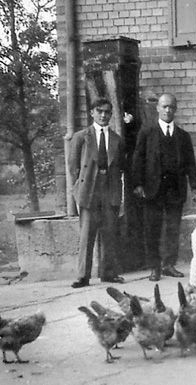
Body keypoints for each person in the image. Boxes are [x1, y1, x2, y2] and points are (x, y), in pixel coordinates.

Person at [132, 93, 196, 282]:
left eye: (171, 107)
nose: (168, 110)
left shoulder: (183, 136)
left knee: (173, 228)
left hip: (175, 189)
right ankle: (155, 267)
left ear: (175, 109)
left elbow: (191, 164)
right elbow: (138, 159)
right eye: (164, 107)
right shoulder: (147, 132)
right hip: (152, 189)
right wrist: (137, 184)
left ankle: (169, 264)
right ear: (158, 109)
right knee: (152, 229)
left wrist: (194, 186)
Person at [68, 98, 126, 288]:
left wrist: (119, 193)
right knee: (87, 234)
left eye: (107, 112)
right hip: (89, 190)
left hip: (109, 189)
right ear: (92, 112)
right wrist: (79, 188)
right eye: (99, 111)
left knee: (109, 233)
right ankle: (82, 276)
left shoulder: (117, 139)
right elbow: (73, 166)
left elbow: (120, 168)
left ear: (111, 114)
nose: (103, 115)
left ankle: (108, 273)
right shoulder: (81, 137)